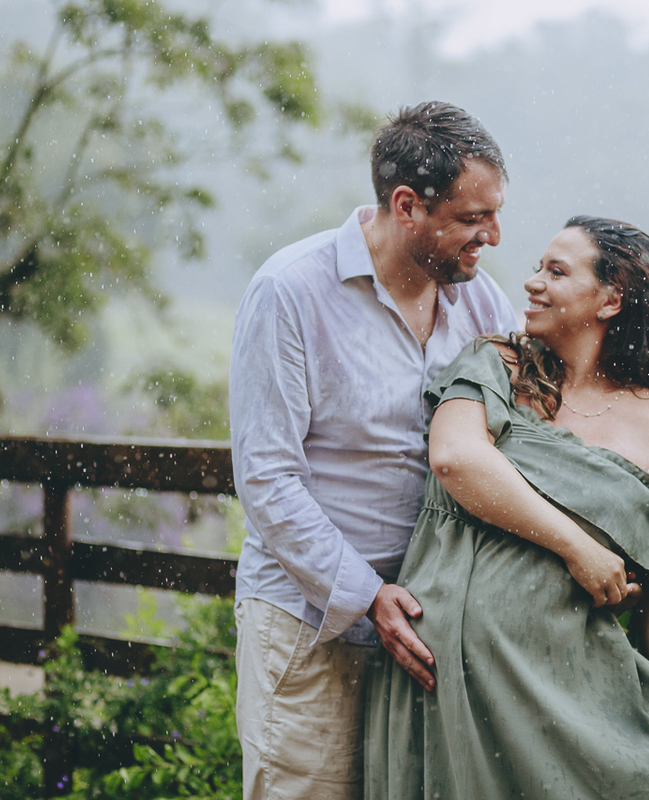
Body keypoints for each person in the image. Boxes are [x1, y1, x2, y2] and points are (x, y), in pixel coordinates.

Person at [365, 216, 649, 799]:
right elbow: (456, 460)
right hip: (448, 682)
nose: (532, 283)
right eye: (539, 267)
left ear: (612, 299)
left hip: (576, 696)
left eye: (556, 271)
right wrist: (577, 546)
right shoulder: (492, 365)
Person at [229, 101, 519, 799]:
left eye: (495, 214)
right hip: (308, 627)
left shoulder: (482, 305)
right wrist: (368, 597)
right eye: (474, 219)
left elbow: (536, 434)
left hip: (430, 632)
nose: (495, 236)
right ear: (407, 205)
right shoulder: (289, 292)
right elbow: (266, 478)